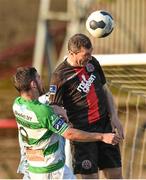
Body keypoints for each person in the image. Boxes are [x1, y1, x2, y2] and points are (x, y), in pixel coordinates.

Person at [12, 67, 121, 179]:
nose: (42, 80)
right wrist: (102, 136)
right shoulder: (43, 112)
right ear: (33, 84)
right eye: (39, 78)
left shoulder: (17, 104)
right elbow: (69, 134)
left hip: (34, 168)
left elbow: (40, 107)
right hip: (51, 172)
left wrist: (54, 108)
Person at [48, 33, 124, 179]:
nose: (89, 57)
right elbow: (54, 106)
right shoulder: (59, 76)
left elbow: (104, 89)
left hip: (104, 126)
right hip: (83, 133)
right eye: (86, 54)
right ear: (72, 53)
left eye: (91, 53)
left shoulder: (92, 62)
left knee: (116, 174)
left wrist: (114, 117)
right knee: (90, 177)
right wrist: (63, 118)